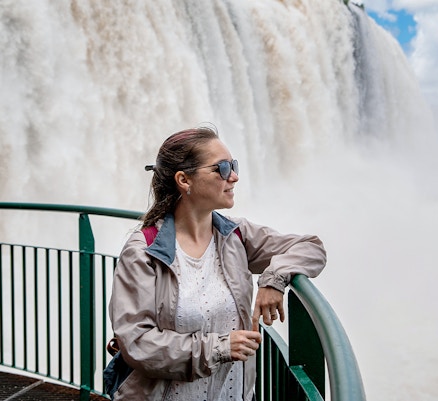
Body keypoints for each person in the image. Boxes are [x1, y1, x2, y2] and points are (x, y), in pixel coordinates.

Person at [108, 126, 326, 400]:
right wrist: (219, 348)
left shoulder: (235, 235)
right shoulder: (145, 251)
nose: (234, 177)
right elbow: (137, 343)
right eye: (222, 168)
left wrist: (273, 280)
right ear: (184, 180)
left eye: (233, 165)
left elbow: (310, 247)